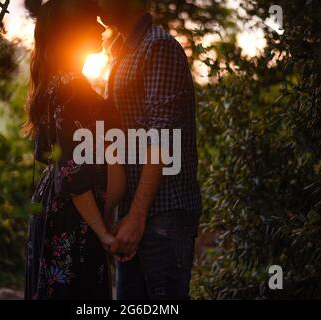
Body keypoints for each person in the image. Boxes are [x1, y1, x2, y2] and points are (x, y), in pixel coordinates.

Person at [98, 0, 202, 300]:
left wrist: (137, 215)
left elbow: (162, 137)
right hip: (135, 212)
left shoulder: (158, 48)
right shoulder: (124, 48)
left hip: (162, 213)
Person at [22, 0, 126, 300]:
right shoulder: (73, 91)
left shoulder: (56, 84)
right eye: (91, 19)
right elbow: (74, 176)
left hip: (60, 213)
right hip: (73, 219)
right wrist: (104, 232)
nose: (101, 27)